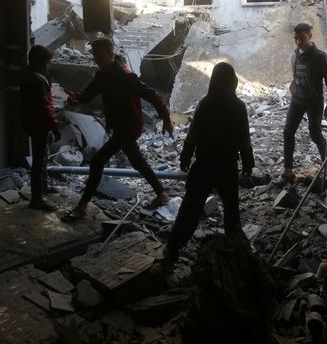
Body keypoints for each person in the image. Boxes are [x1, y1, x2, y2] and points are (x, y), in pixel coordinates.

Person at [62, 37, 174, 221]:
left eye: (100, 55)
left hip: (128, 127)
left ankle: (81, 206)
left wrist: (167, 119)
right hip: (119, 125)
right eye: (94, 55)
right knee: (137, 162)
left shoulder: (126, 77)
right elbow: (89, 93)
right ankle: (162, 194)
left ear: (111, 55)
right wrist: (77, 98)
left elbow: (154, 96)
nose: (96, 59)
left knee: (97, 162)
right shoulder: (102, 75)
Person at [164, 62, 254, 259]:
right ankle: (236, 250)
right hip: (227, 167)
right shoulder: (238, 107)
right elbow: (244, 140)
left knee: (190, 209)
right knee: (231, 211)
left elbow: (193, 134)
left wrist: (185, 157)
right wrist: (248, 163)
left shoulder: (205, 104)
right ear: (233, 82)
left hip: (203, 165)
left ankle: (173, 248)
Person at [280, 22, 327, 184]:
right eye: (295, 38)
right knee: (288, 132)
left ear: (309, 37)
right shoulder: (295, 55)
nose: (298, 42)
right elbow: (296, 77)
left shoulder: (319, 57)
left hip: (313, 102)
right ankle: (287, 170)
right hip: (297, 100)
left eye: (301, 38)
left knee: (315, 133)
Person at [20, 45, 61, 211]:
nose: (48, 65)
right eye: (47, 62)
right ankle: (37, 199)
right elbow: (46, 107)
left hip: (31, 123)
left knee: (42, 157)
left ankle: (43, 188)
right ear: (38, 61)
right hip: (40, 125)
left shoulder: (28, 76)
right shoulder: (37, 80)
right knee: (39, 161)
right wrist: (55, 128)